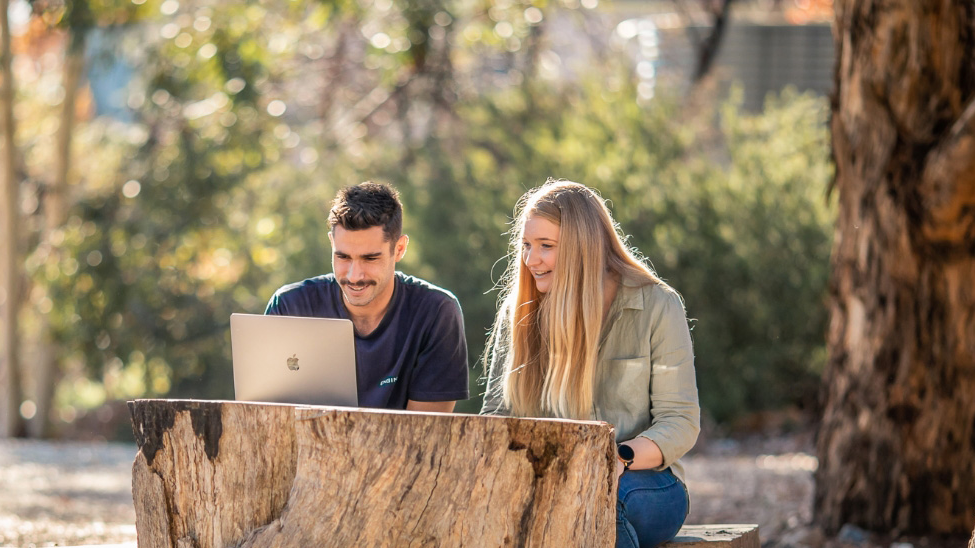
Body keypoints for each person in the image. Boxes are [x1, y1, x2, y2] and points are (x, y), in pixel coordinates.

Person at [480, 180, 700, 548]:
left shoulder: (658, 305)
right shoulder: (518, 313)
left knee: (595, 501)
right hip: (549, 483)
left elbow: (680, 420)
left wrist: (617, 459)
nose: (530, 260)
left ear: (584, 247)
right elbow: (495, 417)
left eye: (546, 247)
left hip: (643, 482)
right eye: (526, 246)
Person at [265, 182, 469, 411]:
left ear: (399, 249)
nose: (354, 276)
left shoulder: (436, 313)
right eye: (343, 257)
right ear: (331, 243)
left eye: (370, 259)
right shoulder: (290, 307)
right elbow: (267, 421)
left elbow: (424, 437)